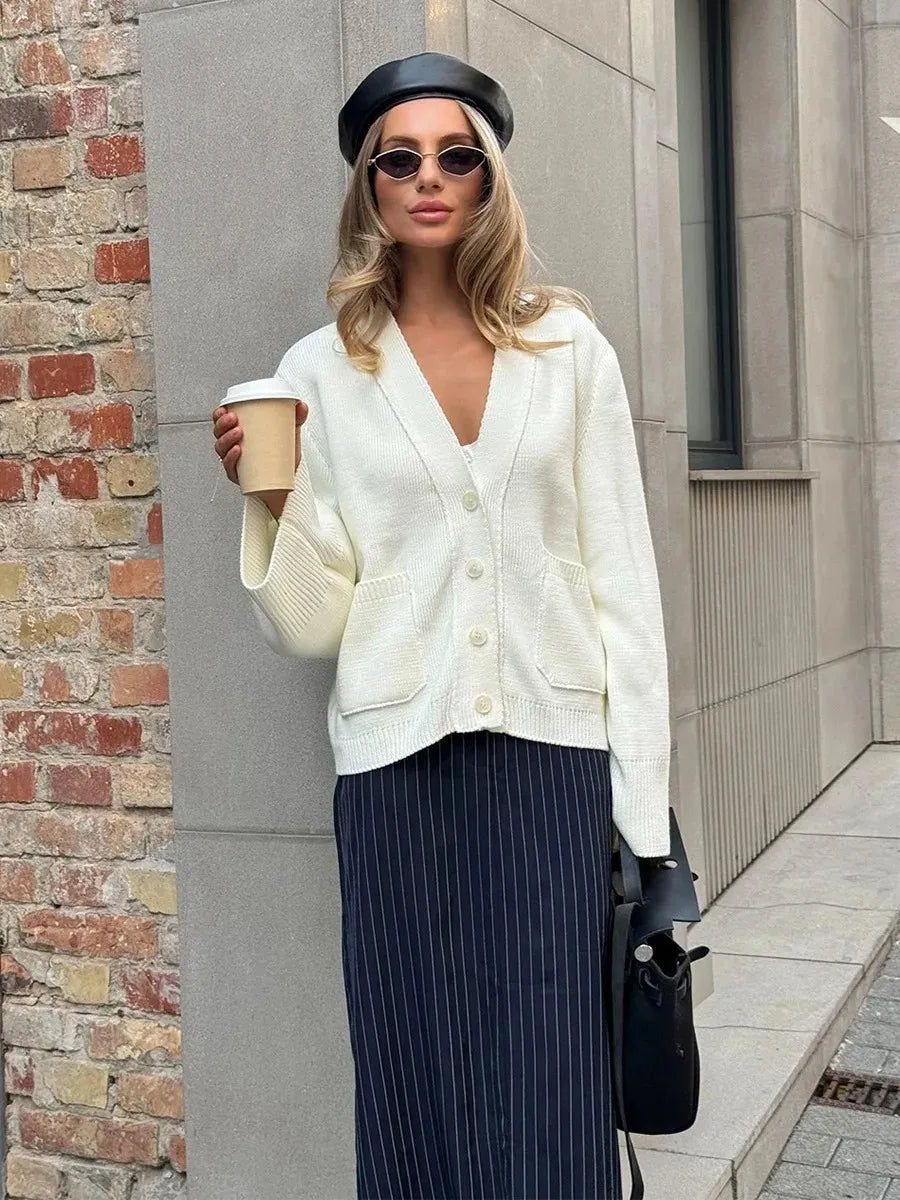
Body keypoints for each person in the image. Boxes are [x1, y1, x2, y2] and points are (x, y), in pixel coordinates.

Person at [211, 50, 671, 1200]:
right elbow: (318, 625)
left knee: (553, 1084)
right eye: (398, 158)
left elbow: (624, 581)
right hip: (394, 774)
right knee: (414, 1083)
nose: (429, 177)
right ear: (366, 186)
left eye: (457, 156)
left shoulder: (569, 350)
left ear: (489, 179)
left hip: (549, 767)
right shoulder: (319, 371)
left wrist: (644, 817)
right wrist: (277, 501)